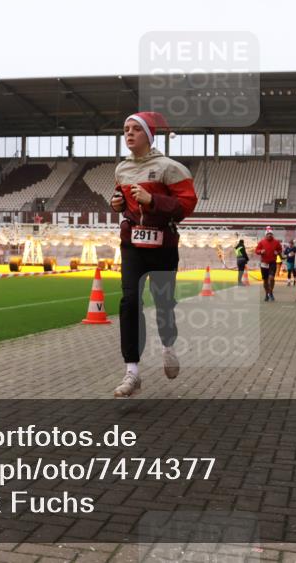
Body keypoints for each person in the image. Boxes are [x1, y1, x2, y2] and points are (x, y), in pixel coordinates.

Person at [109, 111, 198, 398]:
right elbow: (126, 204)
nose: (129, 133)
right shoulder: (121, 169)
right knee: (129, 301)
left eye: (136, 129)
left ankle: (169, 347)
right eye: (126, 129)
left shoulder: (170, 168)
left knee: (163, 303)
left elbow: (186, 206)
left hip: (163, 246)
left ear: (149, 135)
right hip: (132, 244)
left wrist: (153, 200)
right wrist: (118, 204)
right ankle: (132, 372)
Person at [254, 226, 283, 302]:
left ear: (272, 235)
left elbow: (280, 249)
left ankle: (271, 292)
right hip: (264, 263)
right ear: (266, 235)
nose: (269, 235)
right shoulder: (262, 242)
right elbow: (256, 250)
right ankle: (267, 294)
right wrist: (261, 251)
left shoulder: (276, 242)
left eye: (271, 234)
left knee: (271, 278)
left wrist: (278, 252)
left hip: (272, 262)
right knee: (265, 280)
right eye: (268, 234)